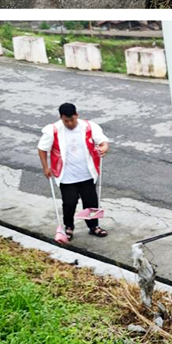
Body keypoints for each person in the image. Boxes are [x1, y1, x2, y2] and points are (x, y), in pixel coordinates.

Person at [38, 102, 111, 241]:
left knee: (91, 202)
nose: (70, 123)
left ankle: (93, 226)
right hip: (66, 175)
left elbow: (103, 142)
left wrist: (104, 148)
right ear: (61, 118)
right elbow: (42, 148)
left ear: (77, 115)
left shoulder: (89, 127)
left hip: (87, 173)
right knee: (69, 203)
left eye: (72, 120)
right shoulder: (52, 130)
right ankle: (69, 227)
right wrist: (46, 167)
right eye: (66, 121)